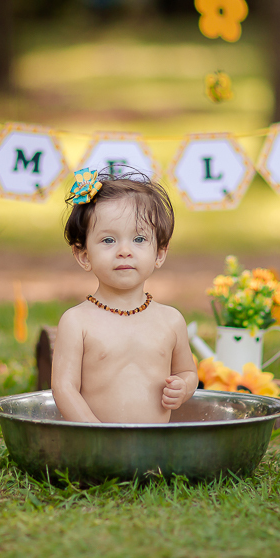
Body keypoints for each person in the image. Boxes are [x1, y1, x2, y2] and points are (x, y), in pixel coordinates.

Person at [51, 167, 197, 423]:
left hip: (154, 449)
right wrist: (98, 435)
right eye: (108, 240)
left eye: (139, 239)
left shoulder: (171, 320)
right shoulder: (77, 322)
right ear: (84, 256)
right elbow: (64, 388)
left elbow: (187, 371)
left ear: (160, 253)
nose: (124, 251)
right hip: (97, 447)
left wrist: (183, 387)